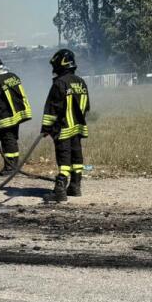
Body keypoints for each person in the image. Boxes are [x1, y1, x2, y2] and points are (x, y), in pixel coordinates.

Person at [40, 48, 90, 202]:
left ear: (61, 64)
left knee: (64, 159)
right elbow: (86, 106)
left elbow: (52, 109)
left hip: (63, 129)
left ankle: (60, 189)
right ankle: (75, 186)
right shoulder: (81, 82)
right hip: (78, 129)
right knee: (76, 157)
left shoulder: (59, 83)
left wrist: (46, 128)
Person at [0, 54, 33, 173]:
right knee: (12, 140)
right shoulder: (13, 76)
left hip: (4, 117)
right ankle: (13, 165)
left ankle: (10, 168)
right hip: (17, 114)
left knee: (7, 140)